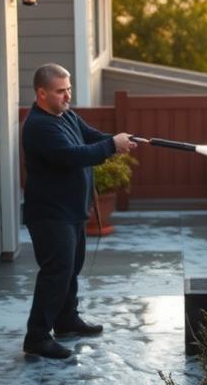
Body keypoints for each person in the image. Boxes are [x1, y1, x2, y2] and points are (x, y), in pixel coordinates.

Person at [22, 63, 137, 359]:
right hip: (50, 215)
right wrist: (112, 145)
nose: (67, 96)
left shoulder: (66, 115)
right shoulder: (39, 126)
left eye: (68, 89)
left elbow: (91, 136)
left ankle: (66, 320)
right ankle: (37, 336)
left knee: (71, 267)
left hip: (71, 211)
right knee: (56, 272)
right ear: (42, 93)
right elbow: (74, 156)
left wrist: (119, 139)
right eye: (60, 91)